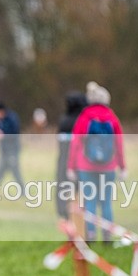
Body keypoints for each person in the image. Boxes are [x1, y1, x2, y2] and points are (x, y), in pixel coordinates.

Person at [67, 81, 126, 242]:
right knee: (106, 202)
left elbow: (75, 143)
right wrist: (123, 167)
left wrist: (71, 167)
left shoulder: (84, 117)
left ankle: (91, 235)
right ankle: (107, 236)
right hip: (108, 167)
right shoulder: (112, 118)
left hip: (86, 167)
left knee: (90, 201)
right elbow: (119, 144)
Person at [55, 90, 87, 219]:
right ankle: (80, 214)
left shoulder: (64, 121)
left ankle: (64, 213)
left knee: (63, 187)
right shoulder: (83, 121)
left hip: (63, 161)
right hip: (80, 161)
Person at [0, 102, 24, 189]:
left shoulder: (12, 118)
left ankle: (23, 191)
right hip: (4, 151)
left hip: (13, 150)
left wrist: (2, 135)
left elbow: (15, 133)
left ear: (1, 111)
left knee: (15, 171)